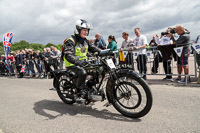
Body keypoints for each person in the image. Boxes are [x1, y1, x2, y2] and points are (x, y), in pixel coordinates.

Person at [63, 19, 101, 101]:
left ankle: (90, 88)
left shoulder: (85, 41)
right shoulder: (71, 40)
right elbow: (68, 55)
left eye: (87, 30)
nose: (86, 32)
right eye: (84, 30)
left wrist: (105, 52)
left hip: (83, 63)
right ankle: (78, 93)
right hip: (72, 64)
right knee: (82, 72)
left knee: (97, 70)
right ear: (78, 30)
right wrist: (78, 62)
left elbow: (94, 48)